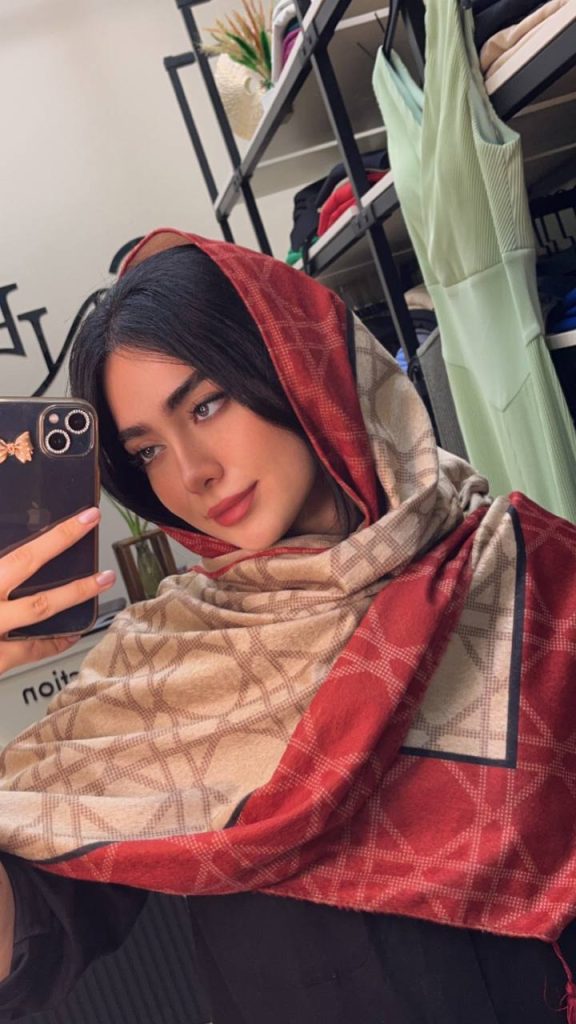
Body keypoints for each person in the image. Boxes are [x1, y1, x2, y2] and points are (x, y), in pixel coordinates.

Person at [1, 228, 576, 1024]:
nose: (192, 471)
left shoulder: (530, 572)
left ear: (294, 364)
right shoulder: (158, 674)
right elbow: (25, 937)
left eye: (206, 404)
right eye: (149, 450)